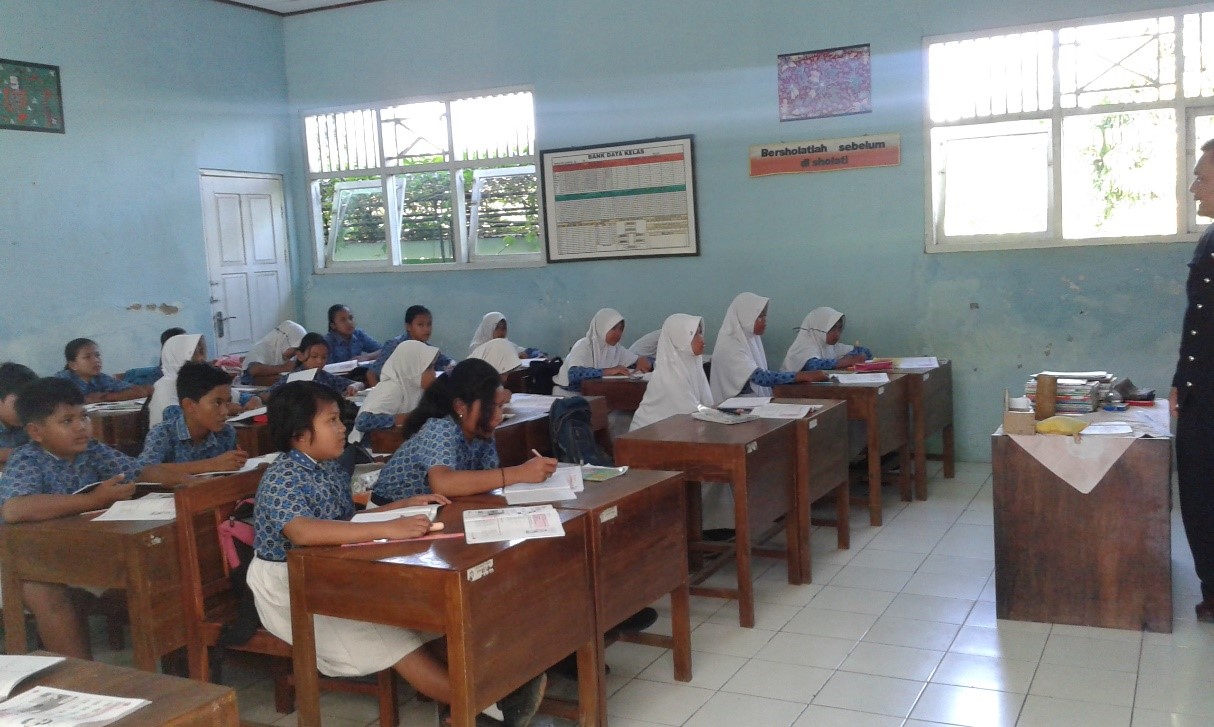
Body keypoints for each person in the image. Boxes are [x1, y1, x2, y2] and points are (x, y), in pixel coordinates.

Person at [247, 381, 546, 726]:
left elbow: (345, 521)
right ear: (299, 434)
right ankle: (490, 704)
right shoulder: (283, 476)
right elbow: (303, 531)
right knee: (391, 638)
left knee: (418, 617)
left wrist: (401, 507)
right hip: (289, 588)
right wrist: (388, 528)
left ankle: (480, 700)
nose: (343, 428)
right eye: (331, 420)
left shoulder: (326, 467)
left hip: (331, 575)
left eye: (339, 419)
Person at [0, 377, 141, 658]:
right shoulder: (28, 459)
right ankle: (81, 673)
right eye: (67, 421)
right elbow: (15, 509)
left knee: (144, 568)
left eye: (84, 416)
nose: (81, 426)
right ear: (36, 432)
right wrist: (94, 500)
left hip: (72, 548)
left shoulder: (92, 450)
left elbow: (140, 471)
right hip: (19, 557)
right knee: (45, 591)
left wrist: (193, 476)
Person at [371, 358, 557, 506]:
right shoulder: (440, 428)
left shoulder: (482, 432)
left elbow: (487, 479)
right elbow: (443, 484)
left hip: (435, 508)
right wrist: (519, 473)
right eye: (489, 407)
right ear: (460, 406)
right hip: (390, 510)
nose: (498, 416)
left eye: (501, 406)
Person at [1173, 137, 1214, 623]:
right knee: (1199, 490)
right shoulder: (1209, 238)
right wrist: (1181, 378)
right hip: (1200, 390)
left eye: (1202, 178)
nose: (1194, 187)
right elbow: (1198, 319)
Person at [136, 361, 248, 484]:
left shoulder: (226, 433)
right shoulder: (162, 433)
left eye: (228, 402)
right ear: (189, 405)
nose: (224, 411)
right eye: (217, 403)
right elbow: (143, 470)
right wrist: (211, 464)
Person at [708, 293, 823, 403]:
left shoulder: (750, 338)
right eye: (759, 316)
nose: (765, 321)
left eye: (765, 316)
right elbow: (760, 377)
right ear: (745, 316)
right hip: (732, 405)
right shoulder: (730, 344)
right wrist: (800, 376)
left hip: (749, 401)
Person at [630, 314, 712, 431]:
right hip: (646, 438)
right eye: (694, 335)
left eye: (700, 333)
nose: (702, 340)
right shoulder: (669, 376)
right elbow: (689, 412)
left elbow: (707, 404)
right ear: (680, 339)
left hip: (675, 433)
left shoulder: (693, 364)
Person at [553, 308, 652, 396]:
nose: (618, 333)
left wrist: (642, 360)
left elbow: (634, 362)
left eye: (621, 329)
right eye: (613, 328)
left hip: (596, 396)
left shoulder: (616, 349)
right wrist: (609, 371)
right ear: (602, 327)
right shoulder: (583, 345)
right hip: (569, 397)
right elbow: (574, 375)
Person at [352, 341, 439, 439]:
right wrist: (408, 417)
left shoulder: (416, 388)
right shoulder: (393, 388)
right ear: (412, 368)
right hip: (370, 446)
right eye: (429, 368)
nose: (434, 373)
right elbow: (362, 422)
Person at [368, 305, 453, 386]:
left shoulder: (427, 348)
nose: (426, 329)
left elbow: (448, 362)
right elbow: (371, 374)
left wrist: (451, 366)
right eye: (420, 325)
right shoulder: (396, 345)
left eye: (429, 324)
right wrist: (378, 392)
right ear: (408, 326)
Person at [266, 333, 362, 399]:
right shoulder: (292, 378)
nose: (319, 361)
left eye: (324, 357)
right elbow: (265, 395)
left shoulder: (325, 377)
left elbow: (359, 384)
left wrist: (354, 386)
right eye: (314, 356)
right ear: (300, 355)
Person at [54, 338, 151, 404]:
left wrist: (105, 397)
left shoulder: (101, 378)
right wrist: (85, 400)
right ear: (73, 365)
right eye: (87, 357)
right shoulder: (62, 380)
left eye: (97, 355)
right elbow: (58, 402)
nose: (96, 360)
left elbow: (139, 392)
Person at [782, 307, 873, 372]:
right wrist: (846, 361)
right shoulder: (805, 345)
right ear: (819, 328)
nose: (837, 334)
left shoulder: (830, 346)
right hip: (789, 391)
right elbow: (812, 366)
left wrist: (851, 358)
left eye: (839, 328)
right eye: (832, 329)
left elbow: (865, 351)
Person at [148, 333, 207, 426]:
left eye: (202, 352)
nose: (202, 358)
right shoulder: (166, 387)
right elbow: (180, 424)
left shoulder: (193, 382)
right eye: (194, 354)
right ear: (178, 356)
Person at [241, 321, 307, 384]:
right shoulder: (262, 347)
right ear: (285, 341)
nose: (296, 353)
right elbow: (254, 370)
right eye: (295, 349)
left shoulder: (292, 356)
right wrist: (284, 368)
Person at [0, 363, 38, 467]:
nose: (25, 410)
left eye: (31, 404)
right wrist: (12, 454)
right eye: (18, 404)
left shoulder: (29, 422)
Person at [468, 312, 545, 358]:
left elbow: (523, 350)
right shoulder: (477, 348)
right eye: (497, 328)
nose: (501, 332)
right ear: (487, 328)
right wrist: (514, 357)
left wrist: (535, 354)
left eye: (504, 328)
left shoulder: (505, 344)